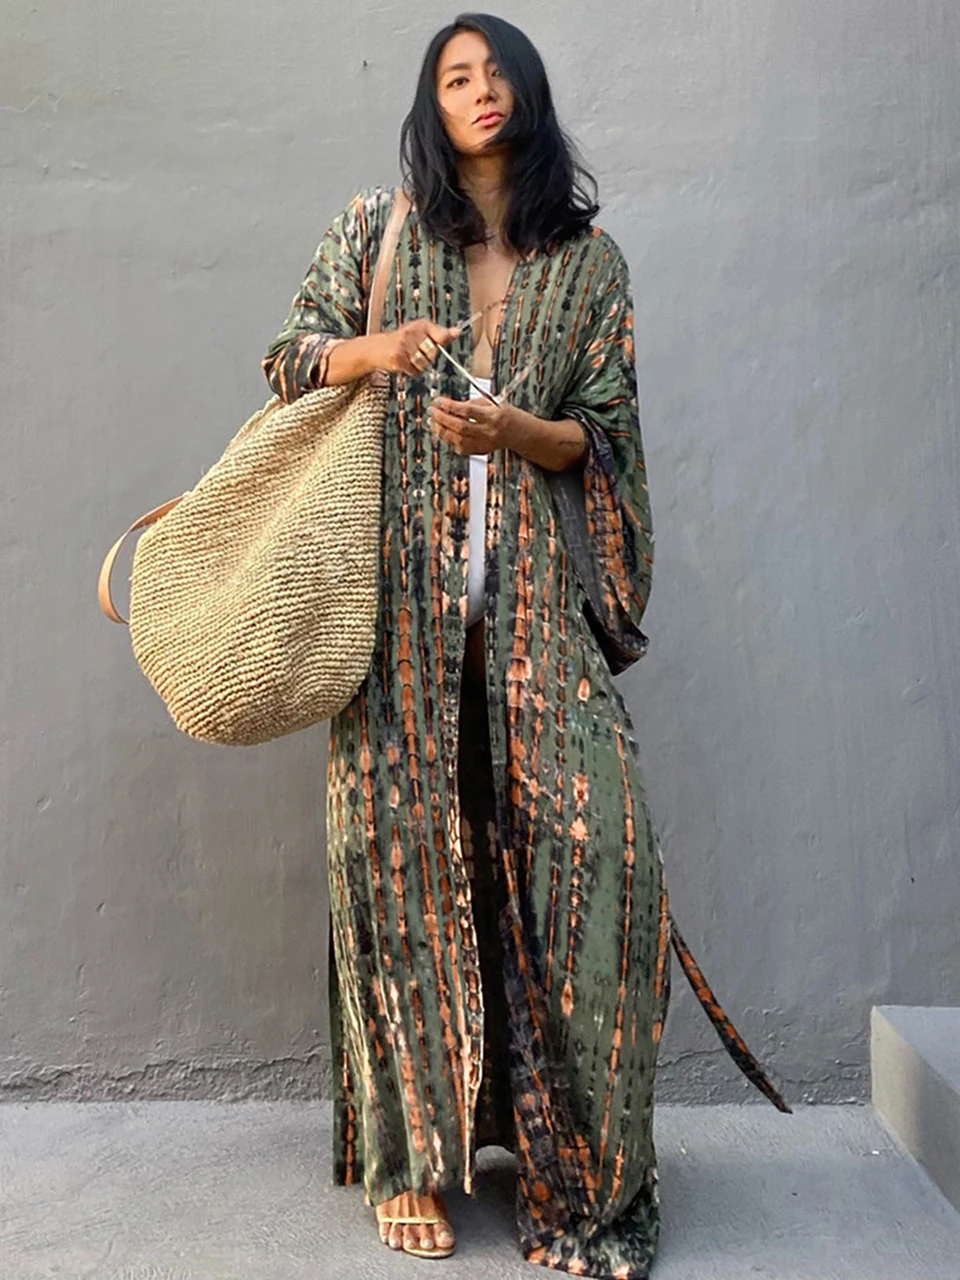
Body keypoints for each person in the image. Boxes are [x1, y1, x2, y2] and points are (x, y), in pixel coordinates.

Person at [262, 14, 788, 1277]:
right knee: (404, 873)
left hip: (541, 618)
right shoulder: (372, 229)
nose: (481, 90)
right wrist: (374, 350)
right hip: (396, 624)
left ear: (531, 94)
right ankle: (414, 1165)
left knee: (596, 862)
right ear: (429, 107)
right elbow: (288, 360)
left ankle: (584, 1177)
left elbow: (606, 435)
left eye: (498, 70)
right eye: (455, 76)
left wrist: (520, 433)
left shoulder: (588, 262)